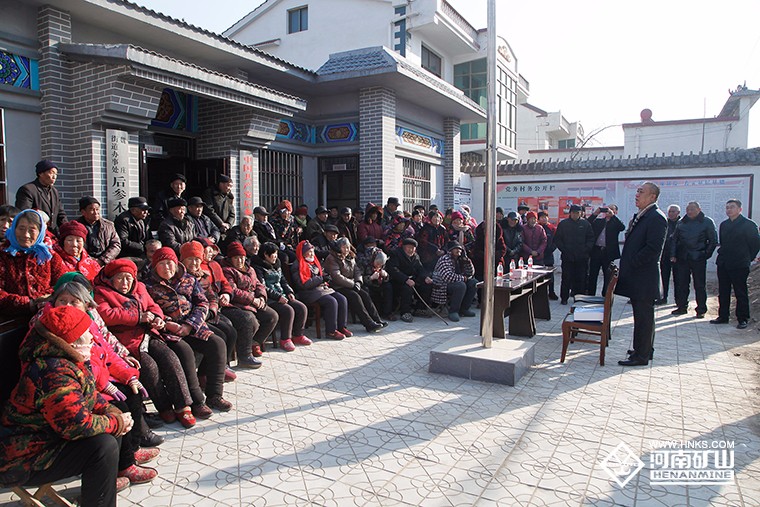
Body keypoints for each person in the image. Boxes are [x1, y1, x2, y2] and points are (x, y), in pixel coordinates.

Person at [0, 305, 129, 506]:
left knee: (112, 431)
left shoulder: (69, 359)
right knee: (103, 446)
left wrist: (110, 411)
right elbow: (77, 426)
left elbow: (88, 394)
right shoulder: (53, 371)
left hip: (50, 437)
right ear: (71, 340)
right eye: (86, 333)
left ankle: (99, 493)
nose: (92, 337)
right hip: (23, 457)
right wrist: (117, 422)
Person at [43, 280, 158, 486]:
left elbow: (106, 350)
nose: (67, 306)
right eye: (62, 300)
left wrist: (128, 374)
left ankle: (131, 450)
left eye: (74, 301)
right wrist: (104, 385)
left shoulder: (87, 321)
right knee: (118, 407)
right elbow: (81, 363)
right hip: (80, 384)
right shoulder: (52, 325)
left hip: (95, 378)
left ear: (86, 304)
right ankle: (123, 465)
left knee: (132, 392)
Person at [94, 259, 196, 429]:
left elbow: (153, 306)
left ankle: (183, 406)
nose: (125, 283)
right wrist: (138, 317)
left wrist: (157, 318)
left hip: (148, 334)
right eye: (120, 278)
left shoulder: (140, 288)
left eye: (128, 278)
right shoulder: (102, 292)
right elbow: (106, 314)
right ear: (111, 279)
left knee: (169, 357)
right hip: (126, 340)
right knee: (149, 367)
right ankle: (164, 407)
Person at [144, 247, 233, 416]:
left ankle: (215, 395)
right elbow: (151, 310)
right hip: (167, 331)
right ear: (155, 266)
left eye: (170, 263)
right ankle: (197, 401)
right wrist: (169, 325)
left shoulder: (188, 279)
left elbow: (202, 303)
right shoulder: (147, 285)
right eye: (162, 264)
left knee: (217, 344)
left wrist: (189, 325)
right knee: (185, 352)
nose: (167, 267)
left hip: (192, 326)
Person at [616, 182, 667, 366]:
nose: (637, 195)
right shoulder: (645, 215)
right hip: (638, 276)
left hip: (644, 276)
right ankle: (644, 349)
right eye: (637, 191)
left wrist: (633, 262)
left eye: (641, 192)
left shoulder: (656, 217)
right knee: (642, 316)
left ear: (652, 197)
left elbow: (653, 249)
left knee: (644, 317)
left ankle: (641, 356)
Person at [179, 241, 238, 380]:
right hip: (191, 318)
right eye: (190, 259)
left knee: (230, 331)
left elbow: (212, 296)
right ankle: (205, 374)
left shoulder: (203, 276)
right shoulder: (180, 277)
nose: (194, 263)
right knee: (219, 336)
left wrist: (212, 310)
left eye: (197, 259)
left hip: (206, 314)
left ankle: (219, 367)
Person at [0, 209, 66, 318]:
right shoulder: (3, 254)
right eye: (21, 228)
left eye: (32, 230)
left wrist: (45, 299)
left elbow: (63, 283)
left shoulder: (49, 256)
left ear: (40, 232)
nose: (26, 235)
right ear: (14, 229)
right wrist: (27, 303)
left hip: (46, 316)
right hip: (8, 319)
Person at [221, 241, 280, 360]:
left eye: (242, 257)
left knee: (272, 316)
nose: (240, 261)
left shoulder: (250, 269)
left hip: (255, 302)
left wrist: (262, 297)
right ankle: (244, 351)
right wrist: (253, 300)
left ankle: (254, 342)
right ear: (231, 258)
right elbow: (233, 290)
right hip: (238, 304)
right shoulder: (227, 270)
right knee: (251, 321)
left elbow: (259, 284)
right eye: (236, 258)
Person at [253, 241, 312, 351]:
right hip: (270, 298)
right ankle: (285, 339)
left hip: (282, 294)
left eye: (276, 253)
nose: (276, 256)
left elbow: (283, 281)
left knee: (301, 307)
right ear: (265, 254)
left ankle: (298, 335)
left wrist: (289, 292)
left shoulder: (277, 265)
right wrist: (277, 297)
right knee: (288, 310)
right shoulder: (258, 268)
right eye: (273, 254)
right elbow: (263, 287)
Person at [711, 199, 760, 329]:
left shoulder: (748, 225)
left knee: (740, 291)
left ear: (740, 209)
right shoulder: (724, 224)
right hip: (724, 262)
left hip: (740, 263)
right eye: (727, 207)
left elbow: (755, 244)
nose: (729, 210)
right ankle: (723, 316)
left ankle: (743, 318)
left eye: (732, 207)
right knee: (723, 291)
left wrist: (748, 258)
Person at [324, 237, 386, 333]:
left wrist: (358, 282)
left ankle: (377, 319)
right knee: (355, 296)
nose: (347, 250)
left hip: (350, 284)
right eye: (344, 247)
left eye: (348, 247)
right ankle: (368, 323)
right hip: (337, 286)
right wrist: (353, 284)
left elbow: (357, 271)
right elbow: (336, 276)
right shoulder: (332, 258)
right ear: (339, 247)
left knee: (364, 294)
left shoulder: (351, 256)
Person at [290, 240, 350, 339]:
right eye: (309, 252)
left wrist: (326, 277)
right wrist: (321, 279)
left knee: (342, 299)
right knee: (331, 301)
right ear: (303, 253)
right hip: (308, 292)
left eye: (312, 252)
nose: (311, 254)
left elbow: (322, 273)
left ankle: (342, 327)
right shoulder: (298, 265)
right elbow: (303, 284)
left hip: (321, 289)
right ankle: (331, 331)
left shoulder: (314, 262)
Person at [670, 201, 717, 318]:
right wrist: (673, 254)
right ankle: (682, 306)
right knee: (682, 283)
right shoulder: (682, 222)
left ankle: (701, 309)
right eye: (688, 209)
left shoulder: (707, 222)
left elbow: (713, 241)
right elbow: (674, 239)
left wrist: (705, 254)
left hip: (698, 257)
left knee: (699, 285)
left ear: (699, 210)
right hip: (683, 258)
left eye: (692, 209)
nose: (690, 212)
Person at [553, 205, 594, 304]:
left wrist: (585, 250)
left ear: (581, 213)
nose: (575, 214)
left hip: (582, 257)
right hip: (567, 256)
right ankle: (564, 298)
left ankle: (579, 298)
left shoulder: (585, 224)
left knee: (581, 278)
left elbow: (591, 239)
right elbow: (557, 239)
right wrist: (564, 250)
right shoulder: (563, 224)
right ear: (570, 213)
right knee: (566, 278)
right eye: (573, 213)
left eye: (577, 213)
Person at [386, 238, 433, 323]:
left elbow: (420, 268)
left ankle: (420, 308)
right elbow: (393, 270)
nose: (411, 250)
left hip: (412, 279)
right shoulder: (396, 253)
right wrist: (405, 279)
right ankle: (405, 312)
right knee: (407, 288)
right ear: (404, 247)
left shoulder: (416, 256)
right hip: (398, 281)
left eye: (413, 248)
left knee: (426, 285)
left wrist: (425, 277)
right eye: (408, 247)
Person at [15, 159, 67, 233]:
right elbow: (24, 214)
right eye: (51, 173)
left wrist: (68, 230)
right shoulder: (28, 190)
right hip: (35, 233)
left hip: (52, 234)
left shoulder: (54, 192)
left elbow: (61, 215)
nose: (54, 177)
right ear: (41, 173)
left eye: (56, 174)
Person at [432, 241, 477, 322]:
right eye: (456, 249)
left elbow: (471, 273)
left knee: (473, 283)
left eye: (459, 249)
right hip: (442, 285)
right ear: (450, 250)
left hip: (457, 281)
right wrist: (463, 278)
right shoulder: (445, 259)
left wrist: (467, 261)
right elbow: (447, 276)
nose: (458, 250)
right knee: (461, 286)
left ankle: (464, 309)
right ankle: (453, 311)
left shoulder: (460, 259)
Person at [586, 204, 625, 296]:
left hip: (608, 253)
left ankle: (605, 295)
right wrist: (595, 214)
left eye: (611, 209)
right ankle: (591, 294)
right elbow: (588, 223)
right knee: (593, 274)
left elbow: (622, 227)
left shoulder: (615, 222)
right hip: (596, 251)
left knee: (607, 275)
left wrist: (613, 216)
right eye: (607, 209)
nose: (608, 211)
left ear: (615, 212)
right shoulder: (599, 221)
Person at [76, 196, 121, 266]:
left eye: (97, 209)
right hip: (83, 262)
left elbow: (116, 245)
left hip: (106, 262)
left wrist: (102, 260)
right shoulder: (76, 226)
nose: (96, 212)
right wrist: (89, 260)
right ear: (83, 212)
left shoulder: (108, 225)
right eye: (92, 210)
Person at [657, 204, 681, 305]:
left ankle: (679, 301)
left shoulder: (682, 223)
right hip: (665, 254)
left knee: (678, 279)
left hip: (678, 255)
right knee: (664, 278)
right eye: (670, 211)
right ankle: (663, 297)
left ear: (678, 213)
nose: (671, 213)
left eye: (673, 211)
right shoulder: (665, 222)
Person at [538, 212, 559, 300]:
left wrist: (551, 249)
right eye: (541, 217)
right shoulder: (537, 227)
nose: (544, 219)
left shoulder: (552, 228)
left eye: (545, 217)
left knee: (550, 275)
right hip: (539, 255)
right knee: (539, 275)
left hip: (549, 254)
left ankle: (551, 292)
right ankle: (540, 293)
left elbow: (556, 241)